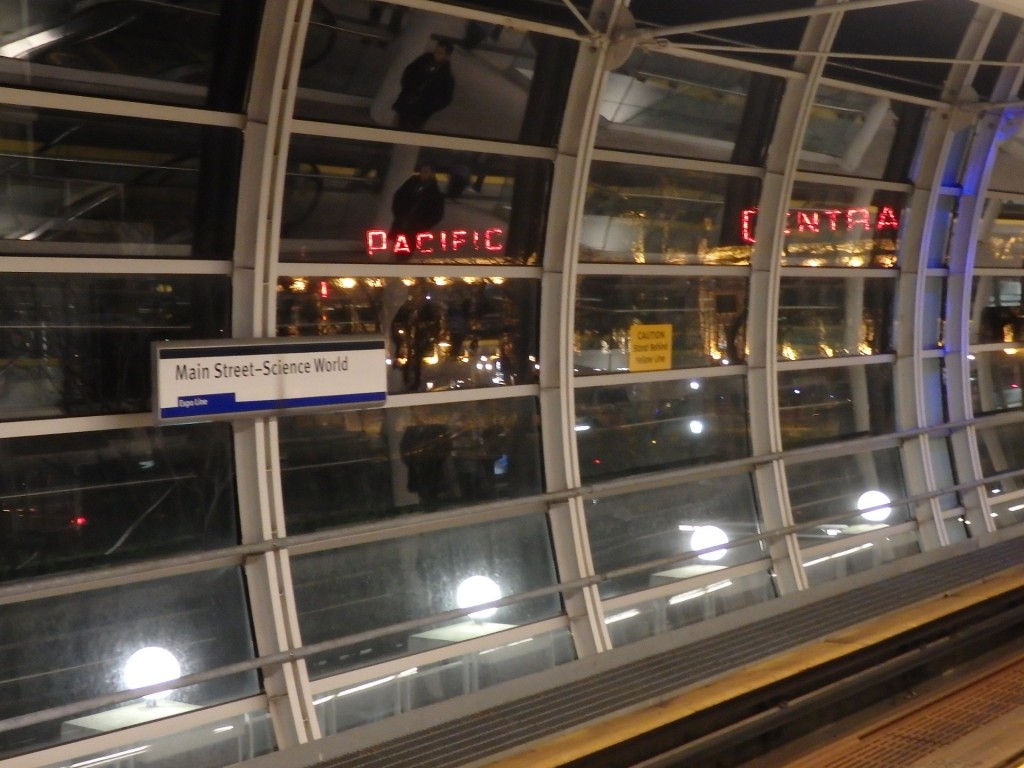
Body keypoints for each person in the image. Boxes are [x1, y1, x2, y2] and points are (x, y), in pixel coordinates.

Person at [392, 41, 455, 131]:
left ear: (447, 56)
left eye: (440, 53)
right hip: (407, 100)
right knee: (396, 125)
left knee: (408, 131)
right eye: (435, 51)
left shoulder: (446, 77)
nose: (435, 55)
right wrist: (407, 88)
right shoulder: (425, 59)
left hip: (420, 111)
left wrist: (428, 107)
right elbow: (409, 71)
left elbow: (445, 98)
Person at [389, 163, 445, 257]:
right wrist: (398, 213)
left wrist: (423, 226)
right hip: (403, 221)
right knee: (398, 246)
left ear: (432, 174)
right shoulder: (412, 183)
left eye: (426, 172)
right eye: (422, 171)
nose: (423, 174)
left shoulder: (435, 193)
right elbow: (398, 197)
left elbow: (437, 214)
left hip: (414, 226)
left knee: (405, 250)